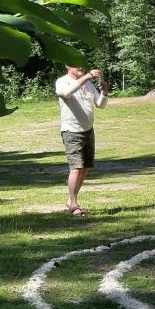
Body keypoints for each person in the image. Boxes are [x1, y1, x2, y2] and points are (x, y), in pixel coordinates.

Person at [56, 64, 107, 216]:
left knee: (84, 168)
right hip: (72, 131)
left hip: (88, 131)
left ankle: (70, 201)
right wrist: (88, 76)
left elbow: (100, 105)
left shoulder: (89, 84)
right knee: (76, 168)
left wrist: (104, 92)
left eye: (82, 64)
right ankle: (73, 204)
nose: (81, 66)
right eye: (76, 63)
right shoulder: (62, 81)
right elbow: (66, 93)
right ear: (67, 66)